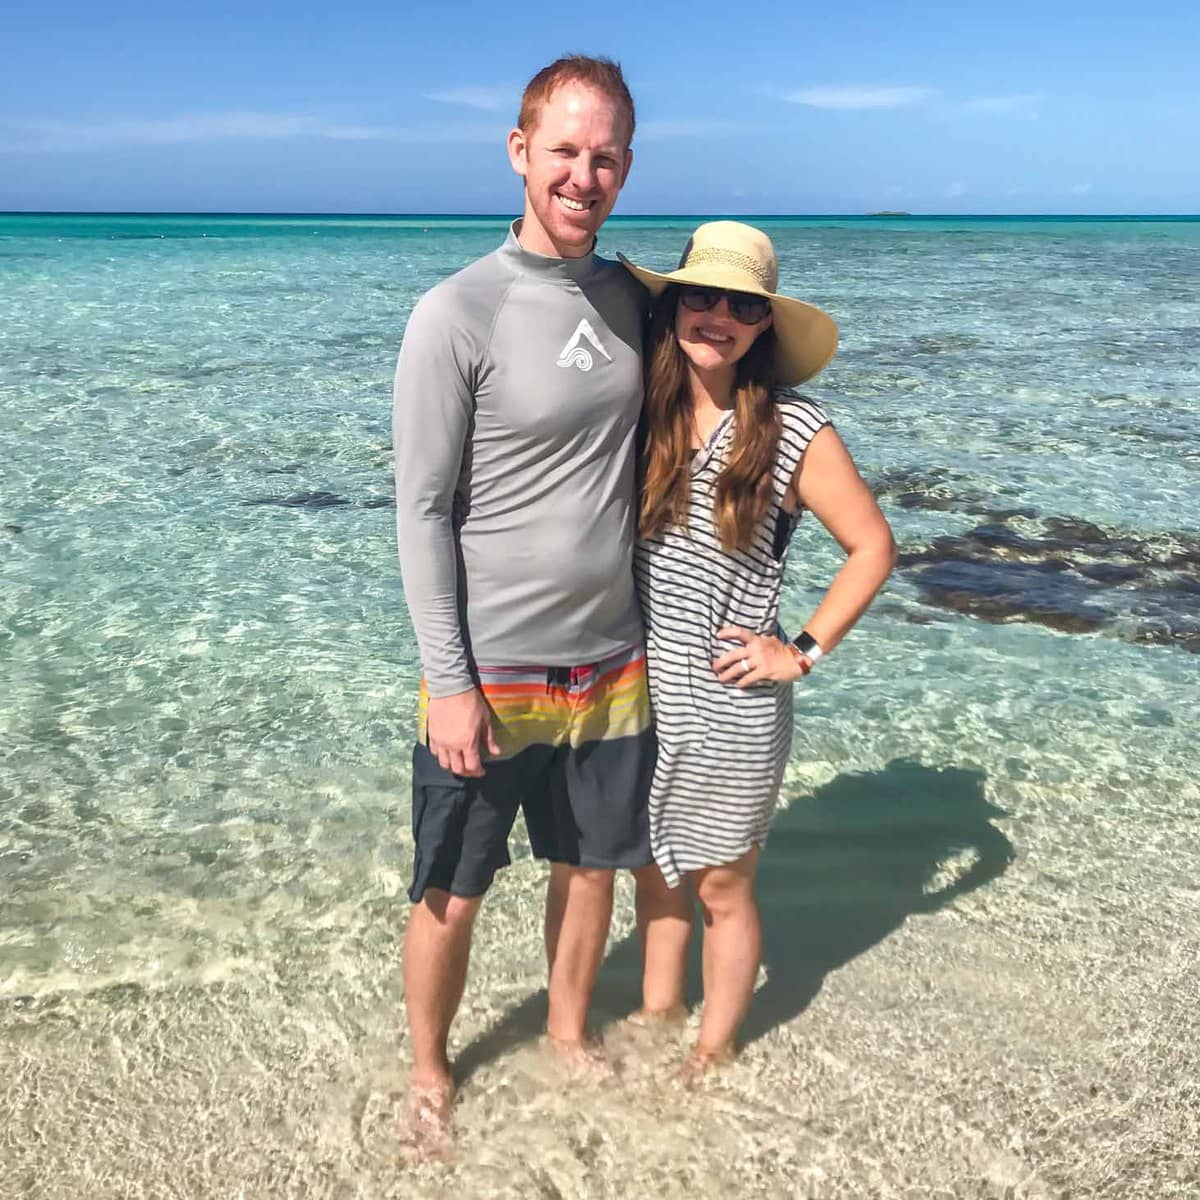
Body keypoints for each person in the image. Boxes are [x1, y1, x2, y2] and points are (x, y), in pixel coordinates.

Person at [391, 56, 653, 1153]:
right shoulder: (458, 311)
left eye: (603, 156)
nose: (582, 175)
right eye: (564, 152)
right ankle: (429, 1069)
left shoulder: (640, 299)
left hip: (614, 661)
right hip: (492, 671)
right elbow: (421, 510)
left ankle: (564, 1029)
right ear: (519, 152)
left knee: (589, 867)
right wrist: (448, 683)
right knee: (453, 888)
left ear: (626, 166)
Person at [618, 221, 897, 1079]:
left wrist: (800, 652)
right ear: (672, 308)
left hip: (735, 705)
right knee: (654, 877)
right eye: (700, 296)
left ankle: (711, 1055)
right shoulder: (640, 410)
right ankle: (656, 1022)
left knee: (721, 889)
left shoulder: (793, 430)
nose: (719, 316)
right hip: (641, 694)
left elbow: (874, 548)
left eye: (743, 304)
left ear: (763, 325)